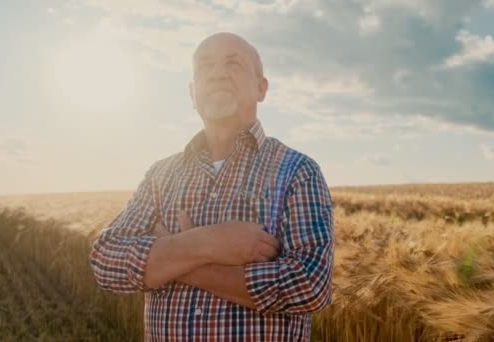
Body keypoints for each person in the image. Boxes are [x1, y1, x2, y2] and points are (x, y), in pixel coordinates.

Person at [89, 32, 335, 341]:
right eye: (205, 66)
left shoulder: (298, 171)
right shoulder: (161, 174)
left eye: (233, 63)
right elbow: (105, 262)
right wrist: (209, 243)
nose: (218, 72)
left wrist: (175, 257)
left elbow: (311, 285)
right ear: (192, 93)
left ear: (261, 88)